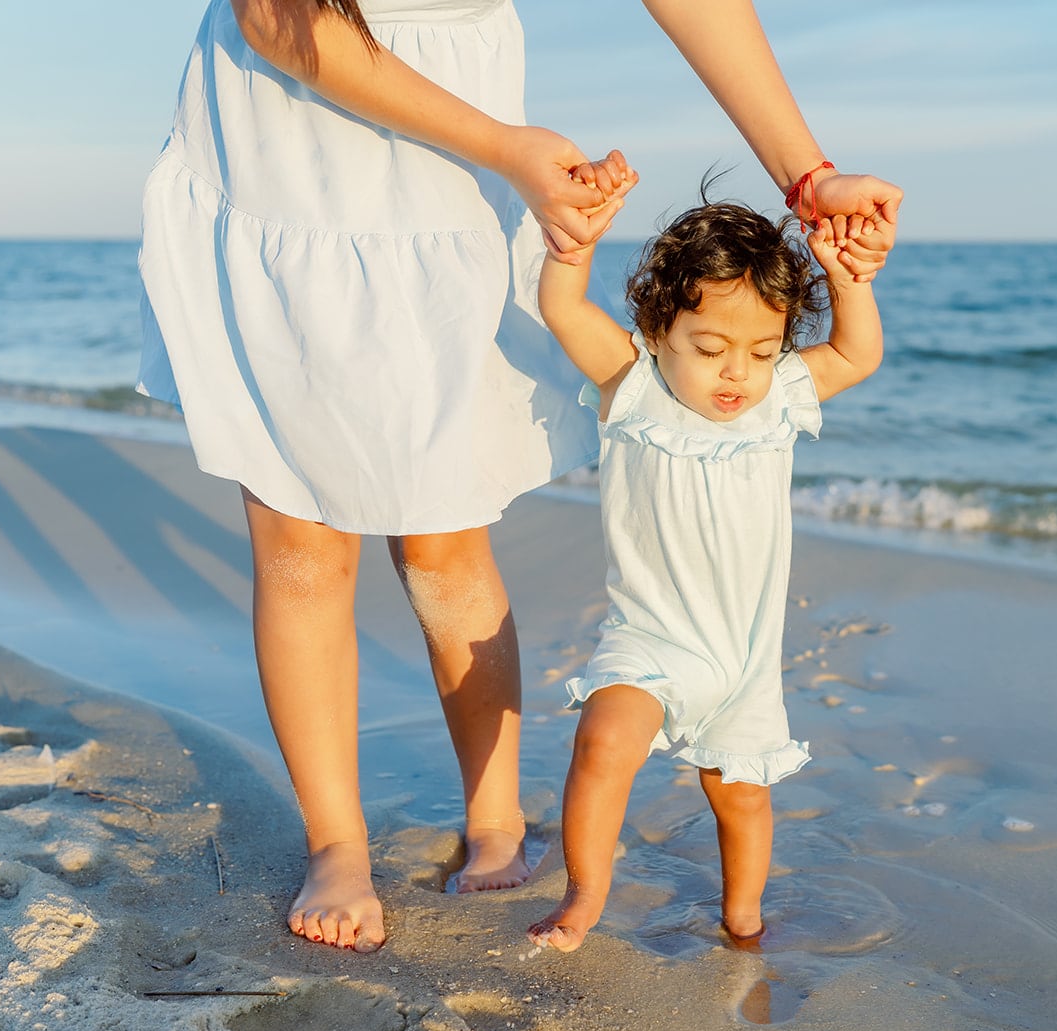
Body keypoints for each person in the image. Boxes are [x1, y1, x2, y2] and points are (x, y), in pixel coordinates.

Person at [137, 0, 901, 953]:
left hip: (465, 150)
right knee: (299, 532)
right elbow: (273, 17)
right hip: (297, 134)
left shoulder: (766, 386)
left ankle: (494, 815)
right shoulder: (643, 375)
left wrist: (809, 176)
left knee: (444, 529)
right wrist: (503, 147)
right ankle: (337, 841)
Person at [528, 178, 885, 951]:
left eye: (761, 349)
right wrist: (575, 250)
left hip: (746, 659)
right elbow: (562, 309)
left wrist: (849, 281)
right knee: (604, 740)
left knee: (743, 800)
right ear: (658, 332)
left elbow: (859, 353)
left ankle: (744, 916)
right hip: (652, 639)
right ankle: (585, 893)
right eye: (711, 348)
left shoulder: (780, 396)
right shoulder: (635, 387)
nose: (736, 373)